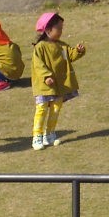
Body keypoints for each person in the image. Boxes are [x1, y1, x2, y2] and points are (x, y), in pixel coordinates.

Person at [30, 12, 86, 150]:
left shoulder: (61, 45)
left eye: (62, 28)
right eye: (59, 28)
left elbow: (70, 55)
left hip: (59, 85)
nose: (61, 31)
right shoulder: (40, 47)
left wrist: (78, 51)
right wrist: (46, 76)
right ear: (48, 30)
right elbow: (38, 64)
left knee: (55, 109)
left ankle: (49, 134)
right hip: (44, 85)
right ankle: (37, 136)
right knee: (42, 109)